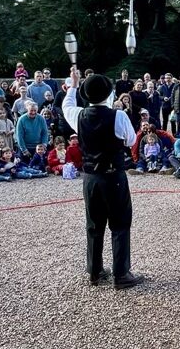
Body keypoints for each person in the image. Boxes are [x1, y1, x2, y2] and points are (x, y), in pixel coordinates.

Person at [62, 67, 143, 289]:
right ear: (108, 93)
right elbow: (128, 141)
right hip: (113, 175)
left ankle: (95, 271)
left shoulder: (79, 115)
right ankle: (121, 274)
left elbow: (66, 105)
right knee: (120, 224)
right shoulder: (118, 115)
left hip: (90, 177)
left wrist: (74, 84)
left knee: (94, 225)